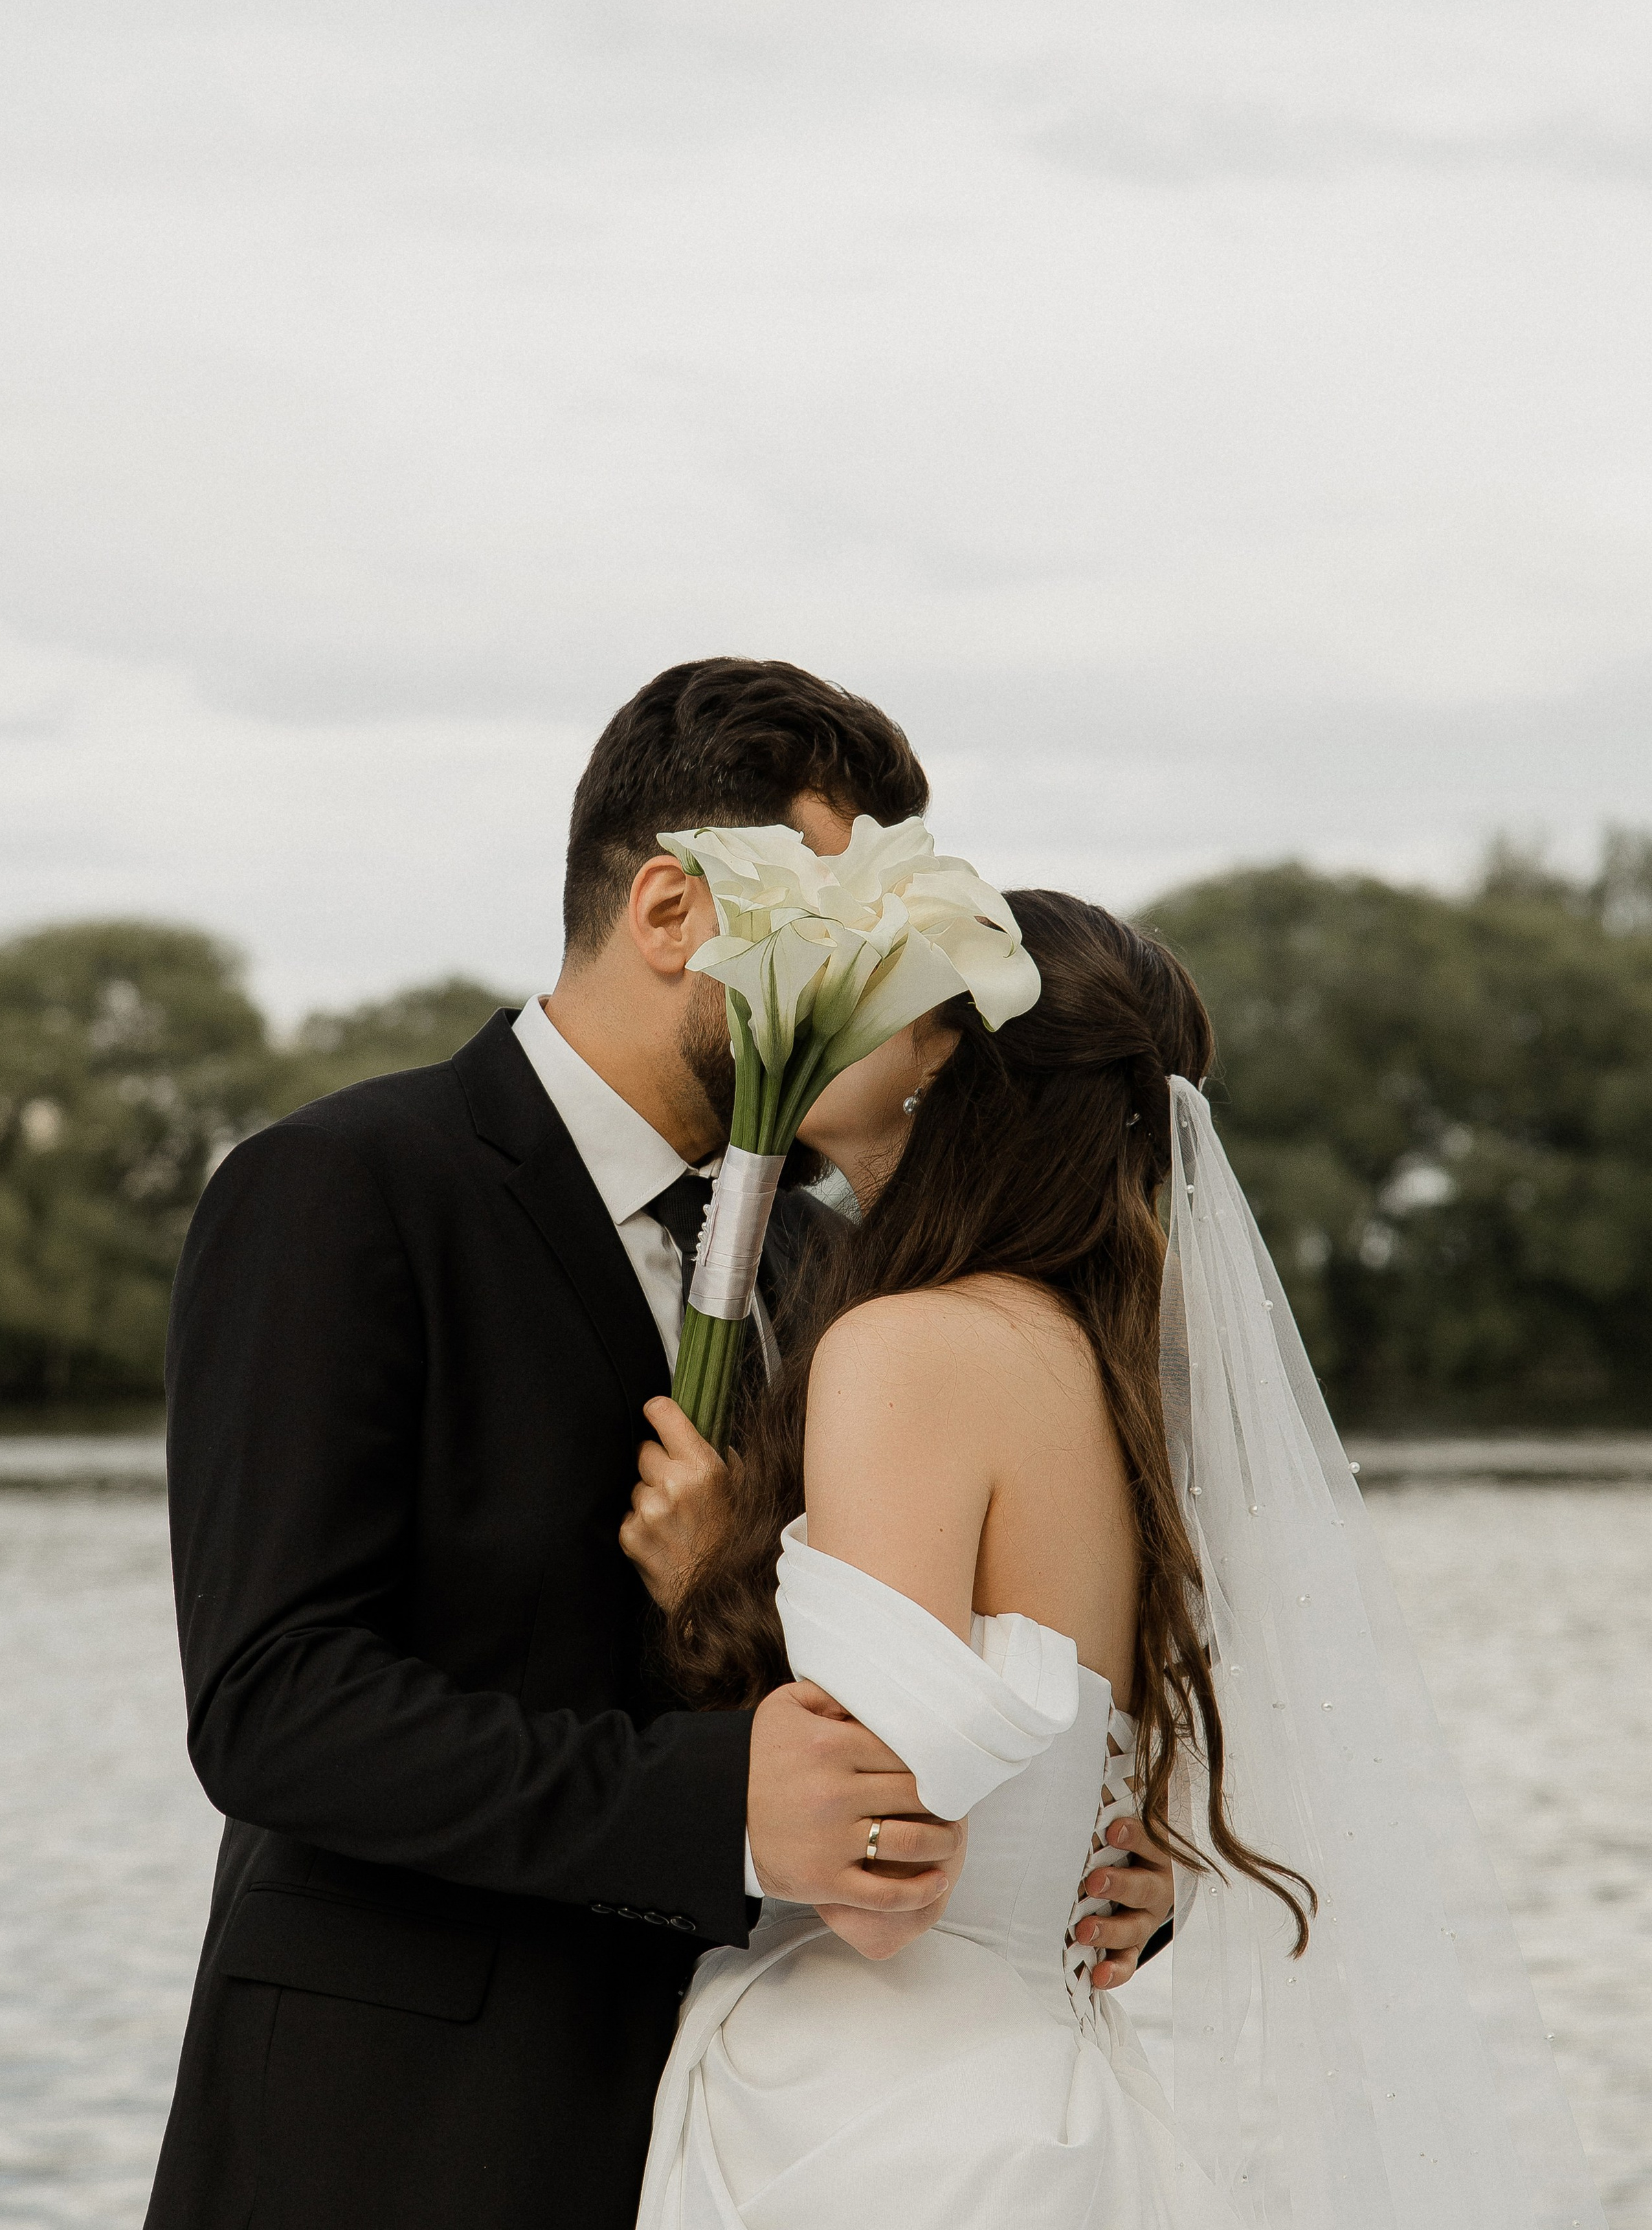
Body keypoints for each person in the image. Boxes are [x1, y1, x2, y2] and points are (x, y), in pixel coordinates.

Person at [143, 660, 1176, 2230]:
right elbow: (271, 1705)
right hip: (397, 2139)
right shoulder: (342, 1189)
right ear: (672, 911)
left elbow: (906, 1667)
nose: (881, 984)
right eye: (838, 930)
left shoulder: (836, 1272)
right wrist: (715, 1810)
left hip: (763, 2135)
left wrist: (1085, 1870)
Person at [625, 893, 1605, 2230]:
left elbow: (878, 1877)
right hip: (1049, 2088)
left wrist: (700, 1589)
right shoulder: (1117, 1377)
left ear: (941, 1060)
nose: (825, 1010)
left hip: (876, 2123)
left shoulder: (906, 1349)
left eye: (871, 989)